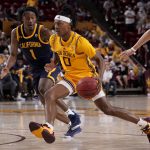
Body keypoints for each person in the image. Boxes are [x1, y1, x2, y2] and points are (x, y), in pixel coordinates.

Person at [30, 5, 150, 144]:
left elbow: (100, 59)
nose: (56, 27)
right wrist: (53, 64)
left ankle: (145, 125)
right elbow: (57, 52)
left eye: (59, 24)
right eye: (55, 24)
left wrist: (98, 77)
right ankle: (49, 128)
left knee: (108, 109)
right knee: (49, 94)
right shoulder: (54, 39)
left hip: (87, 77)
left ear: (69, 26)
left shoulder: (80, 41)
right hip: (70, 77)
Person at [1, 6, 81, 138]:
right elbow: (13, 54)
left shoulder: (43, 31)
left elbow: (59, 44)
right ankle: (72, 122)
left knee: (44, 89)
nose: (31, 21)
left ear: (36, 19)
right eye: (28, 18)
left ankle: (61, 121)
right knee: (46, 103)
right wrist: (6, 68)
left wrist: (56, 62)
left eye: (33, 18)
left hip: (49, 64)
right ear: (22, 19)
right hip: (35, 68)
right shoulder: (16, 32)